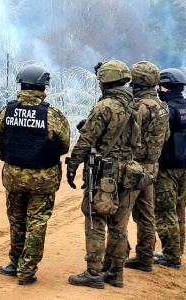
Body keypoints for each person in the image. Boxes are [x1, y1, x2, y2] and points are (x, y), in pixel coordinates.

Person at [0, 63, 70, 285]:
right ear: (43, 86)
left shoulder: (6, 111)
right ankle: (26, 271)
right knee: (36, 222)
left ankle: (14, 263)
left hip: (14, 176)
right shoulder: (52, 114)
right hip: (43, 178)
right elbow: (64, 145)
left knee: (16, 221)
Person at [66, 60, 140, 289]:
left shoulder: (105, 106)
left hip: (104, 171)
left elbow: (86, 140)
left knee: (95, 219)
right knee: (119, 224)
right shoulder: (134, 106)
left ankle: (94, 272)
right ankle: (115, 272)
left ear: (105, 81)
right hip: (128, 171)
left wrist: (72, 165)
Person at [123, 61, 170, 272]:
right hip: (152, 168)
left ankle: (116, 259)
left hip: (133, 168)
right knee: (146, 216)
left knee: (120, 215)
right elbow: (165, 136)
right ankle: (145, 258)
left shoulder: (137, 107)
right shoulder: (162, 106)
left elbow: (125, 136)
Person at [153, 68, 186, 270]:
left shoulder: (167, 110)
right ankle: (177, 251)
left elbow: (159, 137)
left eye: (160, 86)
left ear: (166, 87)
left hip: (167, 168)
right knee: (179, 211)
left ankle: (171, 257)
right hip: (184, 167)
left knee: (165, 212)